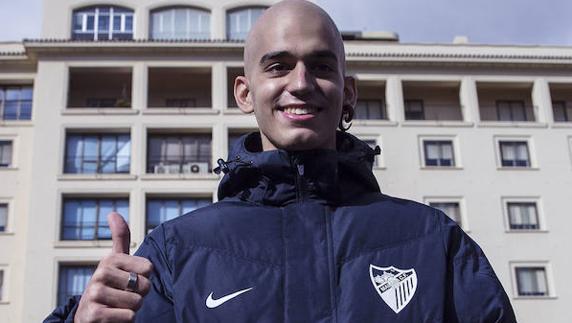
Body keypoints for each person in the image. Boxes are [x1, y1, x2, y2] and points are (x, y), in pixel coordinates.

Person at [46, 0, 517, 322]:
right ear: (245, 93)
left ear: (347, 93)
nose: (301, 82)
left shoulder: (432, 243)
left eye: (321, 65)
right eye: (278, 66)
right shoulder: (176, 254)